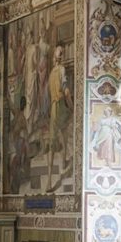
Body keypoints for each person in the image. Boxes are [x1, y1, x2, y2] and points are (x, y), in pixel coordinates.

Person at [44, 45, 71, 186]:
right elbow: (66, 91)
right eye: (61, 53)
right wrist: (72, 107)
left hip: (54, 107)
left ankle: (49, 181)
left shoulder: (50, 74)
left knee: (53, 142)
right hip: (60, 105)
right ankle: (64, 161)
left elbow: (47, 97)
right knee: (64, 133)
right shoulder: (61, 70)